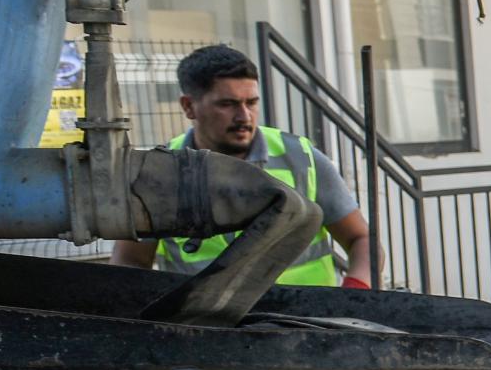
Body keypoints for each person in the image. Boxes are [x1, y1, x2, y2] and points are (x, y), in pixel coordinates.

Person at [112, 42, 374, 287]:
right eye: (227, 104)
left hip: (309, 325)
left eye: (251, 102)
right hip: (206, 328)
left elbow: (361, 239)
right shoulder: (158, 175)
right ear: (189, 106)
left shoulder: (302, 158)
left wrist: (357, 290)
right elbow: (131, 261)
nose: (244, 116)